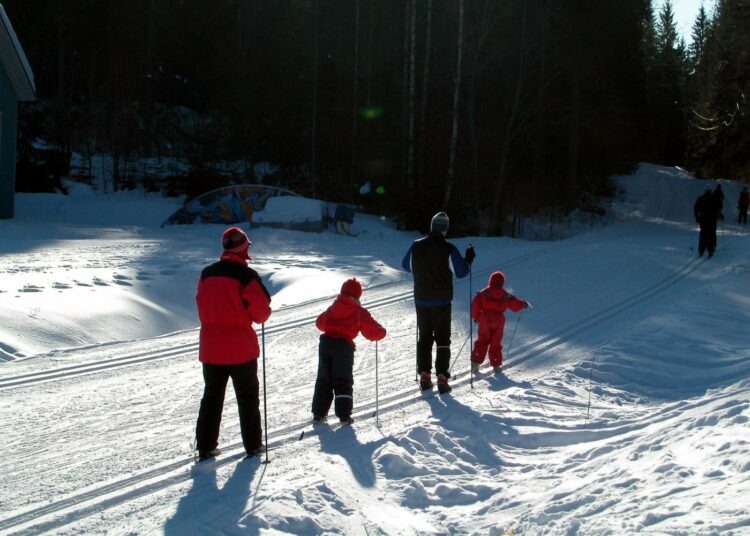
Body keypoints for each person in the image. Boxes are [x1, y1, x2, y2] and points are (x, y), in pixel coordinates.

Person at [195, 226, 272, 461]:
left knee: (212, 396)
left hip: (211, 347)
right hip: (240, 348)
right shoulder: (246, 276)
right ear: (242, 248)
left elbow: (201, 304)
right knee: (247, 397)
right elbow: (261, 314)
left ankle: (205, 447)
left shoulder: (207, 274)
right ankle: (253, 445)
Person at [402, 212, 475, 394]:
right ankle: (442, 376)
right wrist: (468, 260)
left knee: (425, 337)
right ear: (445, 229)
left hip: (421, 300)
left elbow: (405, 265)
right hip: (441, 301)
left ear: (432, 226)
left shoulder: (416, 246)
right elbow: (461, 272)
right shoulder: (448, 248)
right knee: (443, 338)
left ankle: (425, 375)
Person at [312, 278, 386, 424]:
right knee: (343, 381)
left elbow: (320, 323)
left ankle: (319, 413)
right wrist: (381, 332)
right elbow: (371, 329)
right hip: (343, 348)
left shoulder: (334, 306)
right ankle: (344, 415)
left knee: (324, 379)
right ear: (357, 296)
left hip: (326, 344)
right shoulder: (358, 311)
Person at [470, 271, 529, 374]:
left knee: (483, 340)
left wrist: (476, 317)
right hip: (498, 321)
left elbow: (475, 305)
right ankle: (496, 364)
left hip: (485, 319)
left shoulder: (483, 293)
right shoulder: (505, 295)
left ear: (490, 281)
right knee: (496, 342)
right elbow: (515, 305)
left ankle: (475, 362)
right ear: (502, 283)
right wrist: (523, 304)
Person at [694, 187, 718, 258]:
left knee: (703, 234)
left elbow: (695, 208)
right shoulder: (714, 198)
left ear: (705, 191)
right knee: (711, 234)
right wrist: (717, 214)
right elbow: (719, 207)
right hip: (712, 219)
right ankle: (710, 250)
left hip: (703, 219)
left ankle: (701, 250)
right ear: (710, 190)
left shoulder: (700, 198)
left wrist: (697, 217)